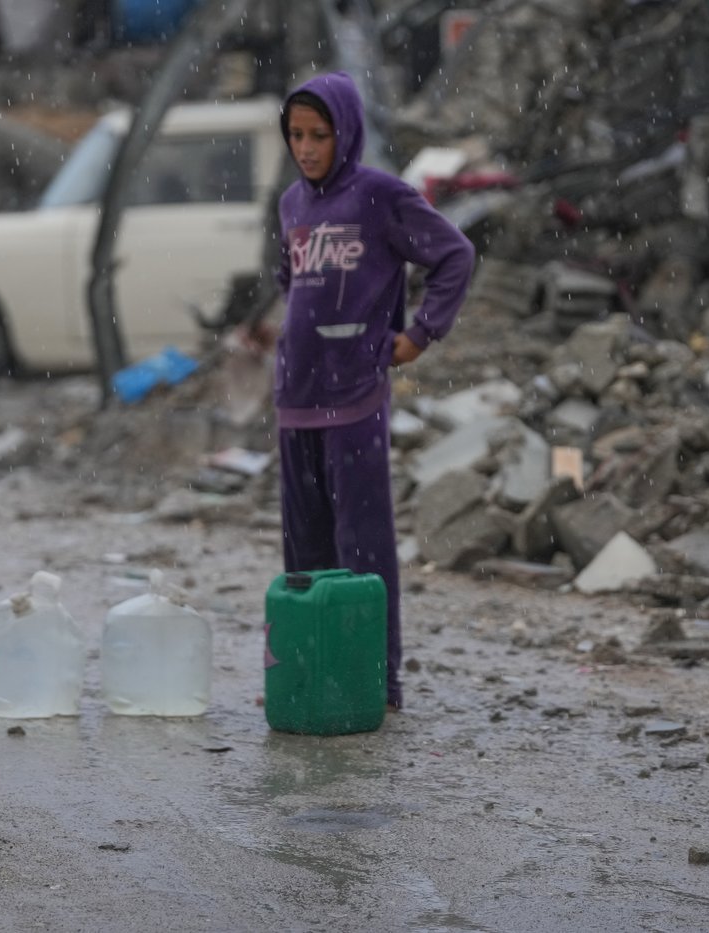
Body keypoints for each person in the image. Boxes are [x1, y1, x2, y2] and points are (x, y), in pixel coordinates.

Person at [272, 71, 475, 712]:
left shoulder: (379, 197)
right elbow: (291, 279)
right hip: (296, 397)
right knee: (304, 550)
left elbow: (455, 255)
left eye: (319, 135)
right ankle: (310, 669)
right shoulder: (291, 205)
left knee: (362, 547)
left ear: (346, 133)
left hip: (355, 394)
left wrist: (418, 334)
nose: (305, 149)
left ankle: (372, 681)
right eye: (295, 135)